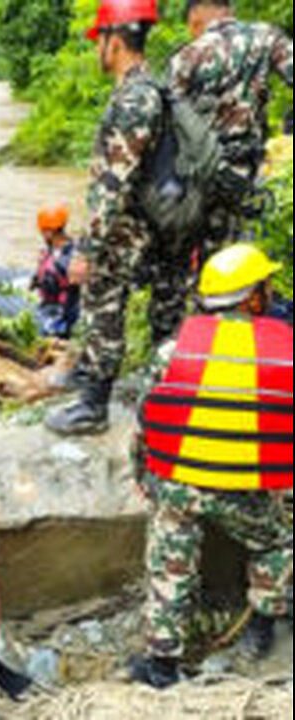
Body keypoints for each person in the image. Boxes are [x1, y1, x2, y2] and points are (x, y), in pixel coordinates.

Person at [128, 244, 293, 689]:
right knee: (278, 540)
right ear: (251, 296)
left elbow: (147, 420)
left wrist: (144, 475)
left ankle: (161, 663)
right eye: (264, 286)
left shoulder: (173, 349)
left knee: (168, 562)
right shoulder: (283, 352)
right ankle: (261, 626)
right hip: (243, 489)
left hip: (180, 485)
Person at [47, 0, 196, 436]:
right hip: (162, 224)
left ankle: (93, 405)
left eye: (100, 42)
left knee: (101, 304)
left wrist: (87, 251)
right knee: (165, 312)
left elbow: (114, 184)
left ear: (114, 42)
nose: (98, 51)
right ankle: (163, 398)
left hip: (132, 229)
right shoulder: (153, 89)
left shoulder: (135, 98)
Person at [169, 0, 294, 261]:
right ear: (229, 9)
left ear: (195, 17)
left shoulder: (185, 57)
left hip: (205, 183)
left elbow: (169, 131)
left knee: (212, 268)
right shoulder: (266, 37)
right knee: (253, 261)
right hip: (252, 177)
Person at [32, 205, 82, 339]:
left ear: (49, 232)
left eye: (42, 231)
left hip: (61, 316)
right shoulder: (51, 250)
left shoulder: (68, 259)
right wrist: (36, 279)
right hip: (48, 307)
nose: (42, 235)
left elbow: (72, 287)